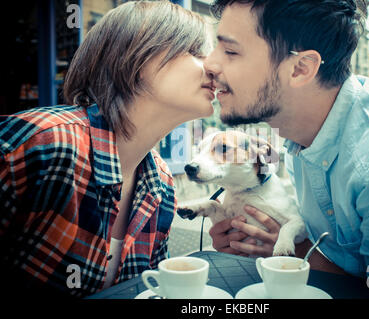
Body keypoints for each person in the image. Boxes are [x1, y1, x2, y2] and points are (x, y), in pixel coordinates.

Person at [203, 0, 369, 292]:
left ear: (300, 69)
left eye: (231, 51)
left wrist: (294, 255)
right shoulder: (303, 130)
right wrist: (265, 241)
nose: (209, 63)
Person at [0, 1, 214, 298]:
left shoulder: (161, 184)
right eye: (196, 52)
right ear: (136, 57)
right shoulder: (39, 142)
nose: (214, 66)